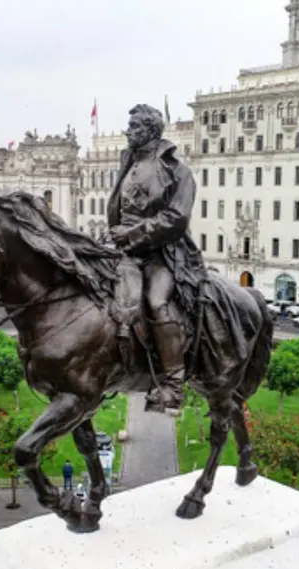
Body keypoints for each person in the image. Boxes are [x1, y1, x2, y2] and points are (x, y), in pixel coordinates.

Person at [106, 103, 203, 412]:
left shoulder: (177, 171)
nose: (128, 131)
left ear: (150, 130)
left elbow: (176, 218)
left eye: (134, 126)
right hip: (124, 250)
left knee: (156, 301)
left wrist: (132, 234)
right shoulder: (129, 162)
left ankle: (172, 383)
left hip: (164, 254)